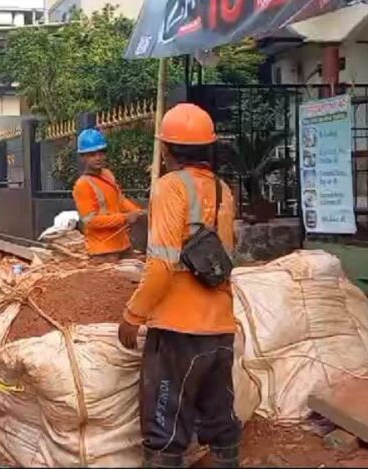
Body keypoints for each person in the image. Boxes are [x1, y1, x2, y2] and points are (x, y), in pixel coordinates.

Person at [118, 104, 240, 468]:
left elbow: (161, 265)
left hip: (177, 331)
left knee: (164, 430)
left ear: (166, 149)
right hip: (220, 327)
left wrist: (133, 315)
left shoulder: (169, 188)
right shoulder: (223, 191)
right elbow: (225, 258)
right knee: (220, 424)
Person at [72, 128, 145, 263]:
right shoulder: (82, 185)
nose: (98, 157)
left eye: (101, 152)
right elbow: (91, 222)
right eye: (92, 154)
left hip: (123, 244)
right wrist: (125, 218)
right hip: (103, 251)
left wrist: (136, 211)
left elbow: (120, 199)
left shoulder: (107, 174)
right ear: (82, 157)